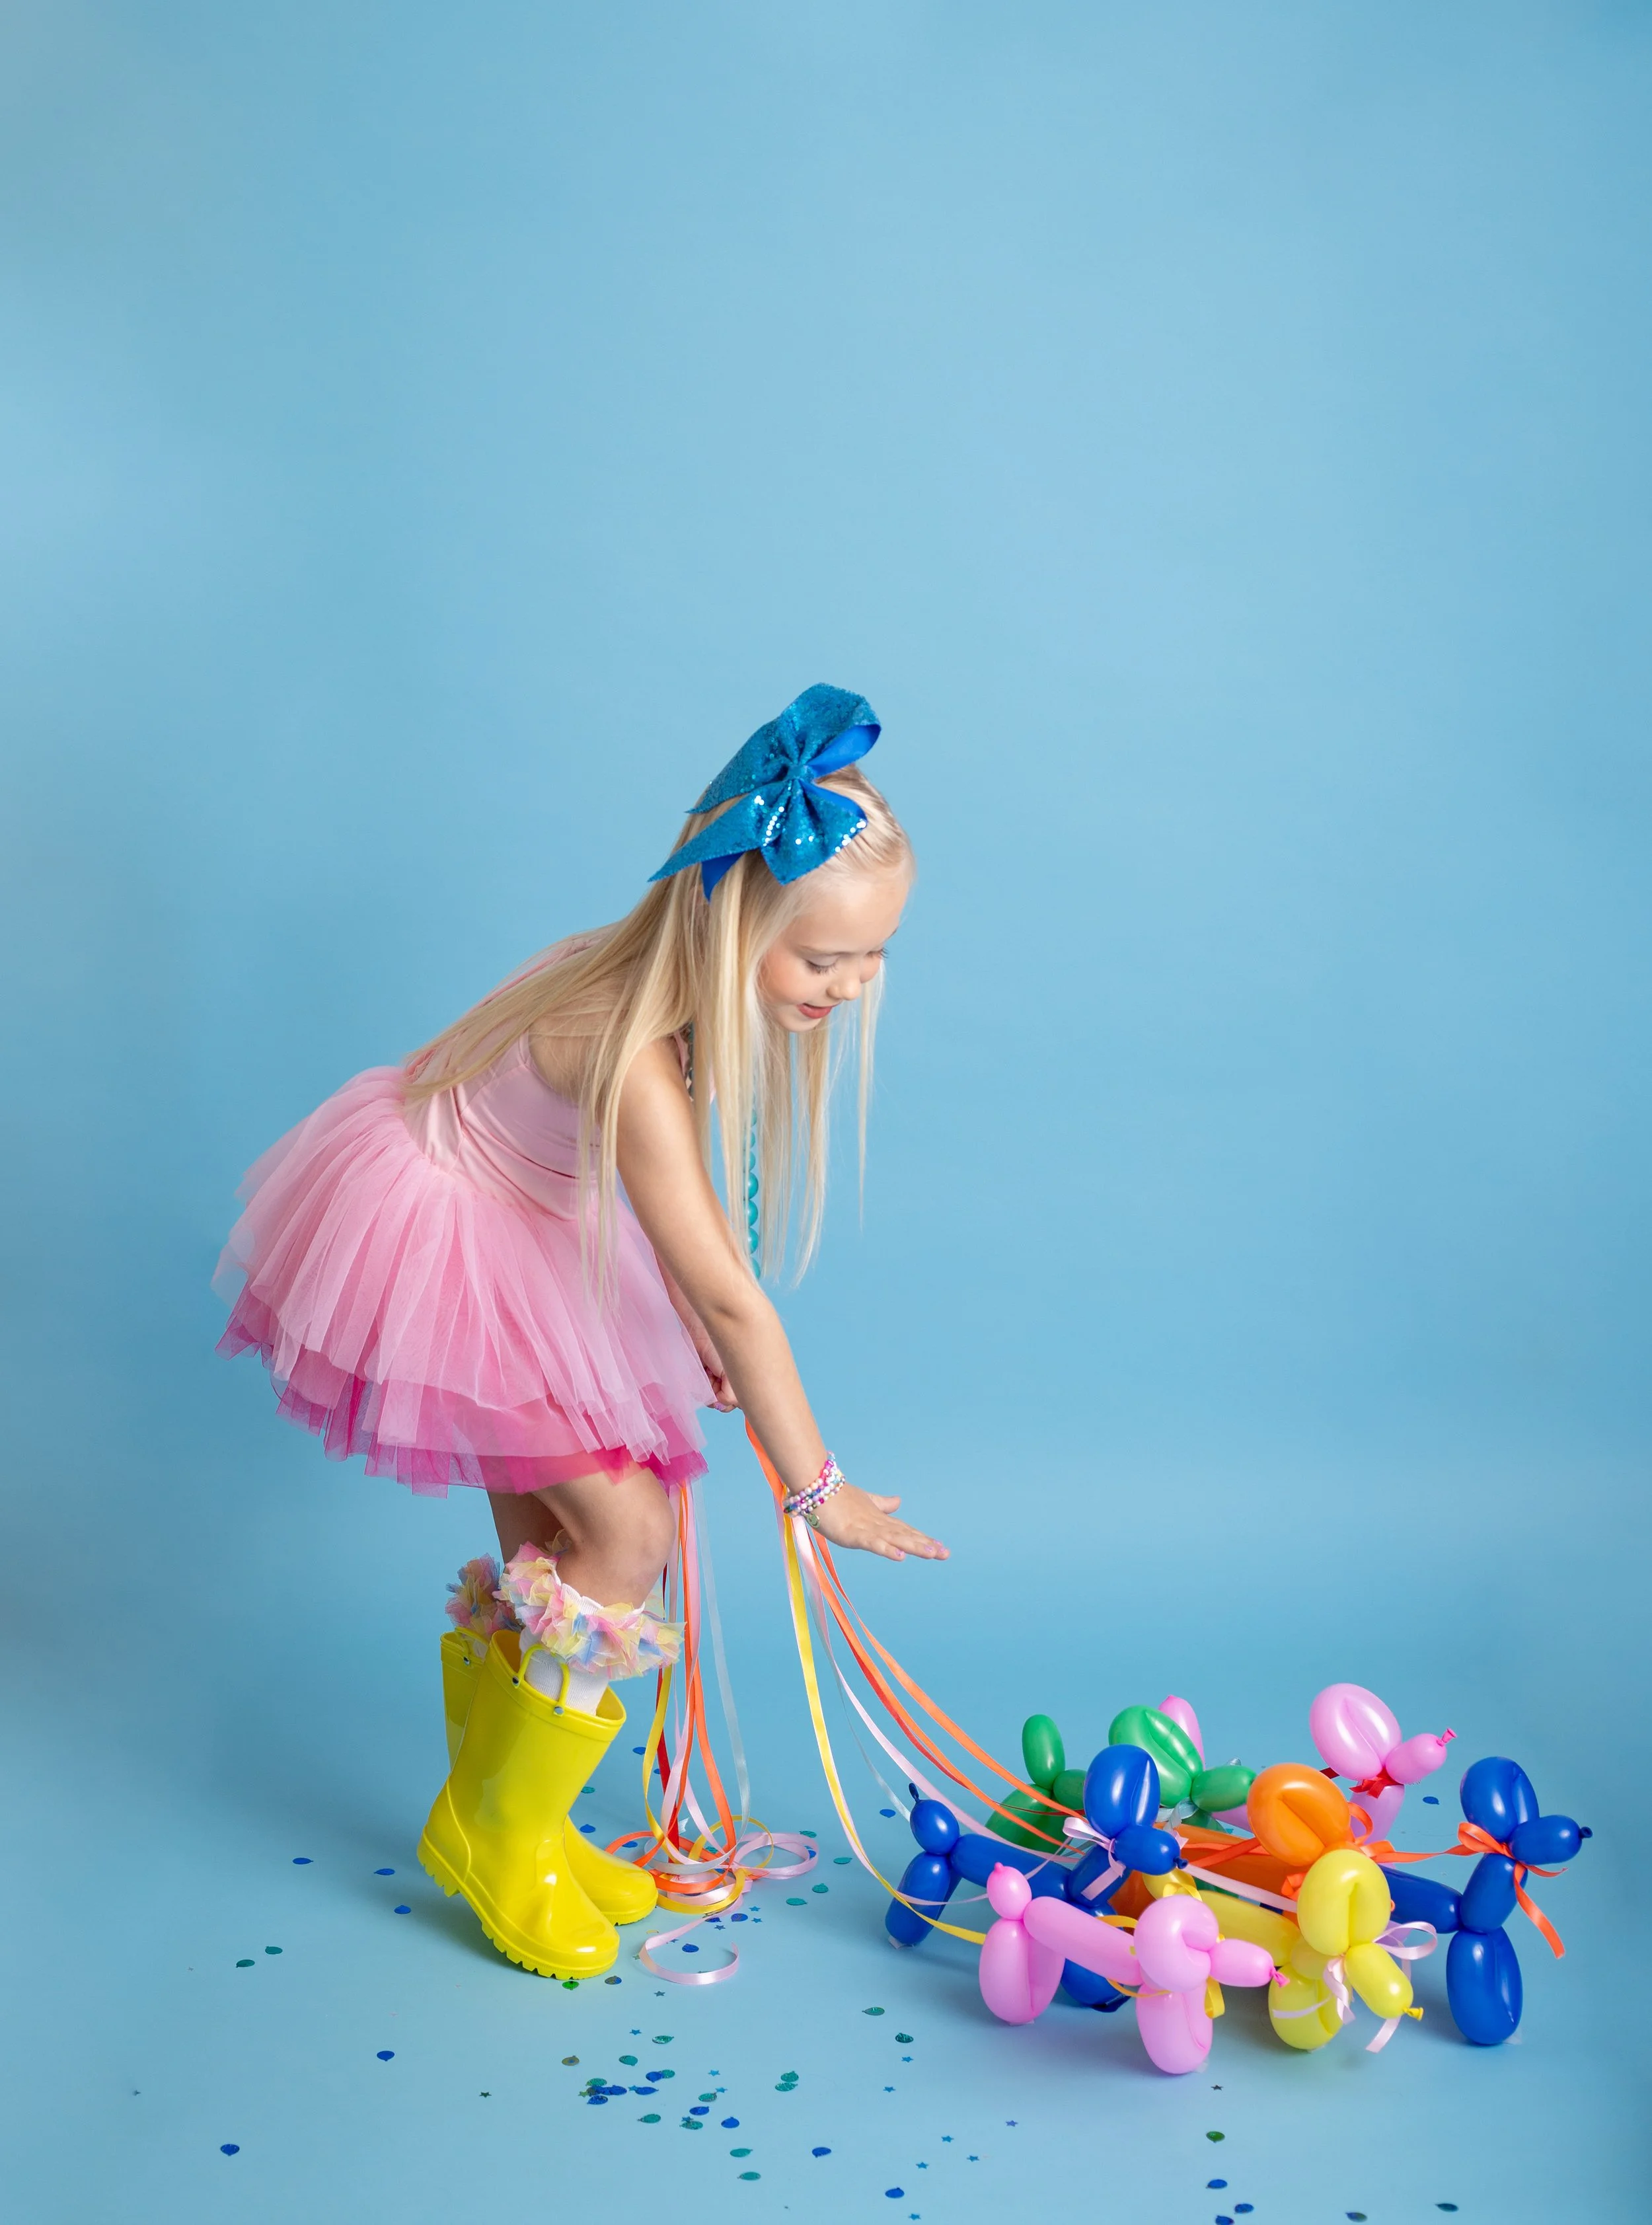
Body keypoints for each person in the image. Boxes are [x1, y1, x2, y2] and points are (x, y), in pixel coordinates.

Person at [214, 683, 946, 1978]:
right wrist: (815, 1486)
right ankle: (502, 1831)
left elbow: (669, 1216)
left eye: (870, 957)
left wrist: (685, 1304)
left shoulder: (644, 980)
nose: (848, 985)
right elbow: (734, 1293)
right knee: (626, 1534)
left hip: (524, 1230)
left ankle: (506, 1824)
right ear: (729, 920)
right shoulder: (625, 1048)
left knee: (557, 1554)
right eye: (820, 960)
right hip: (451, 1253)